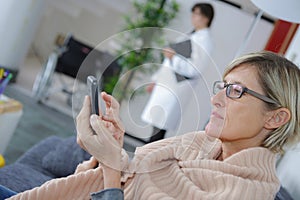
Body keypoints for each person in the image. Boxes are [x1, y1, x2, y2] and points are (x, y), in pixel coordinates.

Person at [6, 51, 300, 200]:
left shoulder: (245, 193)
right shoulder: (198, 144)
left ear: (275, 118)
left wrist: (110, 166)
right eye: (221, 87)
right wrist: (113, 147)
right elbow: (133, 173)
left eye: (235, 91)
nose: (216, 99)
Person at [141, 3, 214, 142]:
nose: (193, 17)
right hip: (167, 83)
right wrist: (156, 80)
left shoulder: (205, 41)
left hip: (176, 86)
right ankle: (146, 158)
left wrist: (173, 57)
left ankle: (148, 159)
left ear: (206, 18)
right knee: (155, 124)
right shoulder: (192, 34)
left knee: (159, 129)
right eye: (192, 13)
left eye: (196, 14)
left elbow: (194, 68)